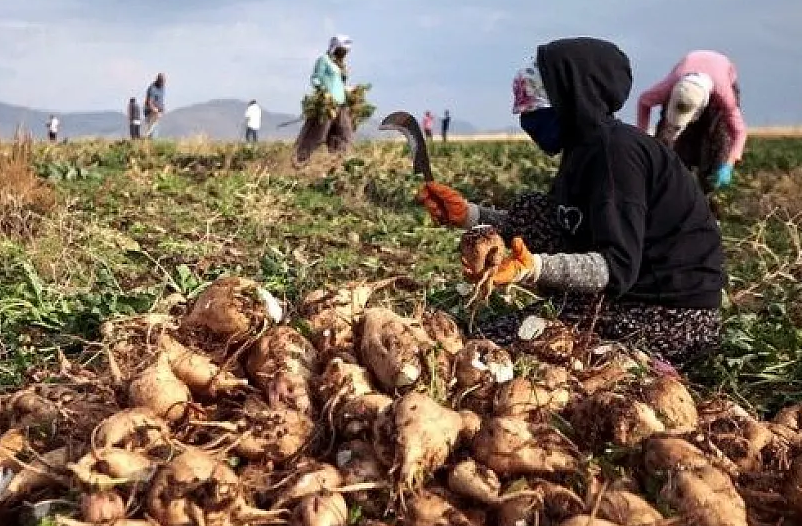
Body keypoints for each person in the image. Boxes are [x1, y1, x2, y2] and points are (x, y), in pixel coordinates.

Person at [417, 37, 726, 368]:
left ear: (574, 93)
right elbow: (560, 222)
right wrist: (468, 214)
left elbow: (616, 267)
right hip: (635, 290)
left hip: (671, 314)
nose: (527, 108)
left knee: (494, 342)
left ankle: (640, 360)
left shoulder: (616, 155)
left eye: (541, 87)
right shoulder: (582, 149)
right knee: (536, 210)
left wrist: (533, 269)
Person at [635, 50, 746, 193]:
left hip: (717, 93)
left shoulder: (724, 95)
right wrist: (642, 135)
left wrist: (729, 164)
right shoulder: (669, 86)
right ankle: (666, 184)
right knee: (666, 139)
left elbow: (739, 131)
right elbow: (644, 102)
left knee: (718, 142)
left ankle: (709, 193)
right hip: (684, 83)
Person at [294, 35, 356, 165]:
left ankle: (338, 164)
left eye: (346, 51)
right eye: (342, 50)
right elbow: (315, 78)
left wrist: (349, 90)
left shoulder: (339, 65)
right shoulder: (324, 60)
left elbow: (338, 85)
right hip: (328, 106)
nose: (344, 54)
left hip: (341, 106)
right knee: (318, 135)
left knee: (344, 133)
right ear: (335, 48)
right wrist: (324, 91)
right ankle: (300, 160)